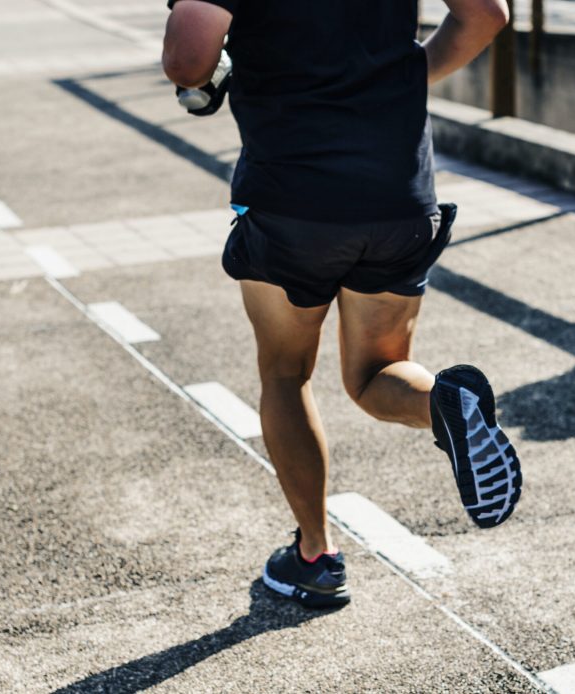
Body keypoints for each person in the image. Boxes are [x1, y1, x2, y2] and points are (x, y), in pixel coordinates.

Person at [162, 0, 523, 608]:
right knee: (375, 372)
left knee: (285, 373)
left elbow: (187, 56)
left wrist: (212, 74)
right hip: (398, 196)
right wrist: (404, 77)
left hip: (292, 200)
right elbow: (486, 13)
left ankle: (315, 557)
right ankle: (443, 403)